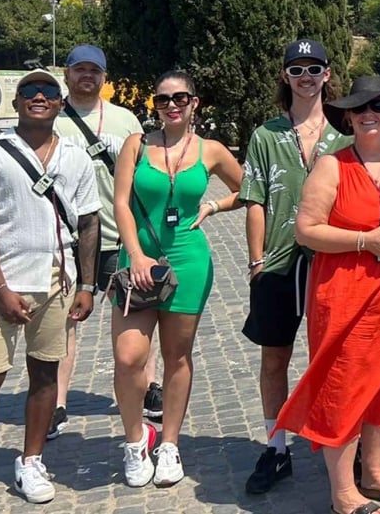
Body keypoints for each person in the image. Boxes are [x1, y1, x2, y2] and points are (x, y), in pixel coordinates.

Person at [0, 69, 100, 514]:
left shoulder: (75, 157)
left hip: (57, 281)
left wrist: (87, 284)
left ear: (60, 103)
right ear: (16, 103)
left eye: (48, 92)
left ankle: (31, 461)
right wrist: (0, 288)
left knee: (45, 376)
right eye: (29, 91)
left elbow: (89, 222)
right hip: (3, 283)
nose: (38, 97)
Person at [276, 75, 380, 514]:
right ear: (348, 117)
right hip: (347, 292)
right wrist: (364, 241)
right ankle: (344, 493)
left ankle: (374, 473)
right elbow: (307, 230)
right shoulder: (333, 166)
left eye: (378, 107)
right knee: (342, 386)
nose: (369, 115)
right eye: (360, 108)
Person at [110, 69, 243, 488]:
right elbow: (120, 203)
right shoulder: (136, 145)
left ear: (194, 103)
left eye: (180, 98)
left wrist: (215, 207)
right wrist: (135, 255)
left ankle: (169, 443)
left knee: (177, 355)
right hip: (138, 260)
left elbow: (251, 189)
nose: (171, 105)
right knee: (128, 356)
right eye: (163, 99)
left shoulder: (211, 150)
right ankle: (136, 440)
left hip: (189, 261)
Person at [236, 39, 352, 495]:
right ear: (285, 75)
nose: (306, 77)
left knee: (337, 357)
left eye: (314, 68)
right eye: (297, 69)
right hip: (279, 260)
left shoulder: (344, 133)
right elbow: (255, 200)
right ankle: (277, 446)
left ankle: (345, 443)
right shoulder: (266, 135)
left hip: (332, 261)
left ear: (327, 74)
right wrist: (256, 261)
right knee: (274, 357)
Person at [49, 44, 149, 440]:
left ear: (104, 77)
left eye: (94, 70)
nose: (87, 76)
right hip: (65, 239)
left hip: (117, 234)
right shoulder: (52, 118)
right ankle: (57, 402)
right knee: (63, 323)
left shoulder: (125, 120)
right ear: (67, 74)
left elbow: (145, 175)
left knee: (136, 315)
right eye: (80, 69)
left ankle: (148, 386)